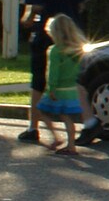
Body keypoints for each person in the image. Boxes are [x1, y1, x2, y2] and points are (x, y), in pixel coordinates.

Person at [17, 0, 95, 145]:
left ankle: (33, 127)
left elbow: (37, 5)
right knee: (76, 78)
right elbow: (81, 2)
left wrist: (28, 19)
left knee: (39, 78)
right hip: (73, 31)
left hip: (48, 31)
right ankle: (89, 121)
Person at [36, 14, 87, 154]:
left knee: (40, 110)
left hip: (58, 88)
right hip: (71, 88)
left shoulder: (55, 50)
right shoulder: (77, 49)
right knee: (67, 117)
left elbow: (53, 71)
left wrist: (51, 87)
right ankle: (71, 144)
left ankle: (56, 137)